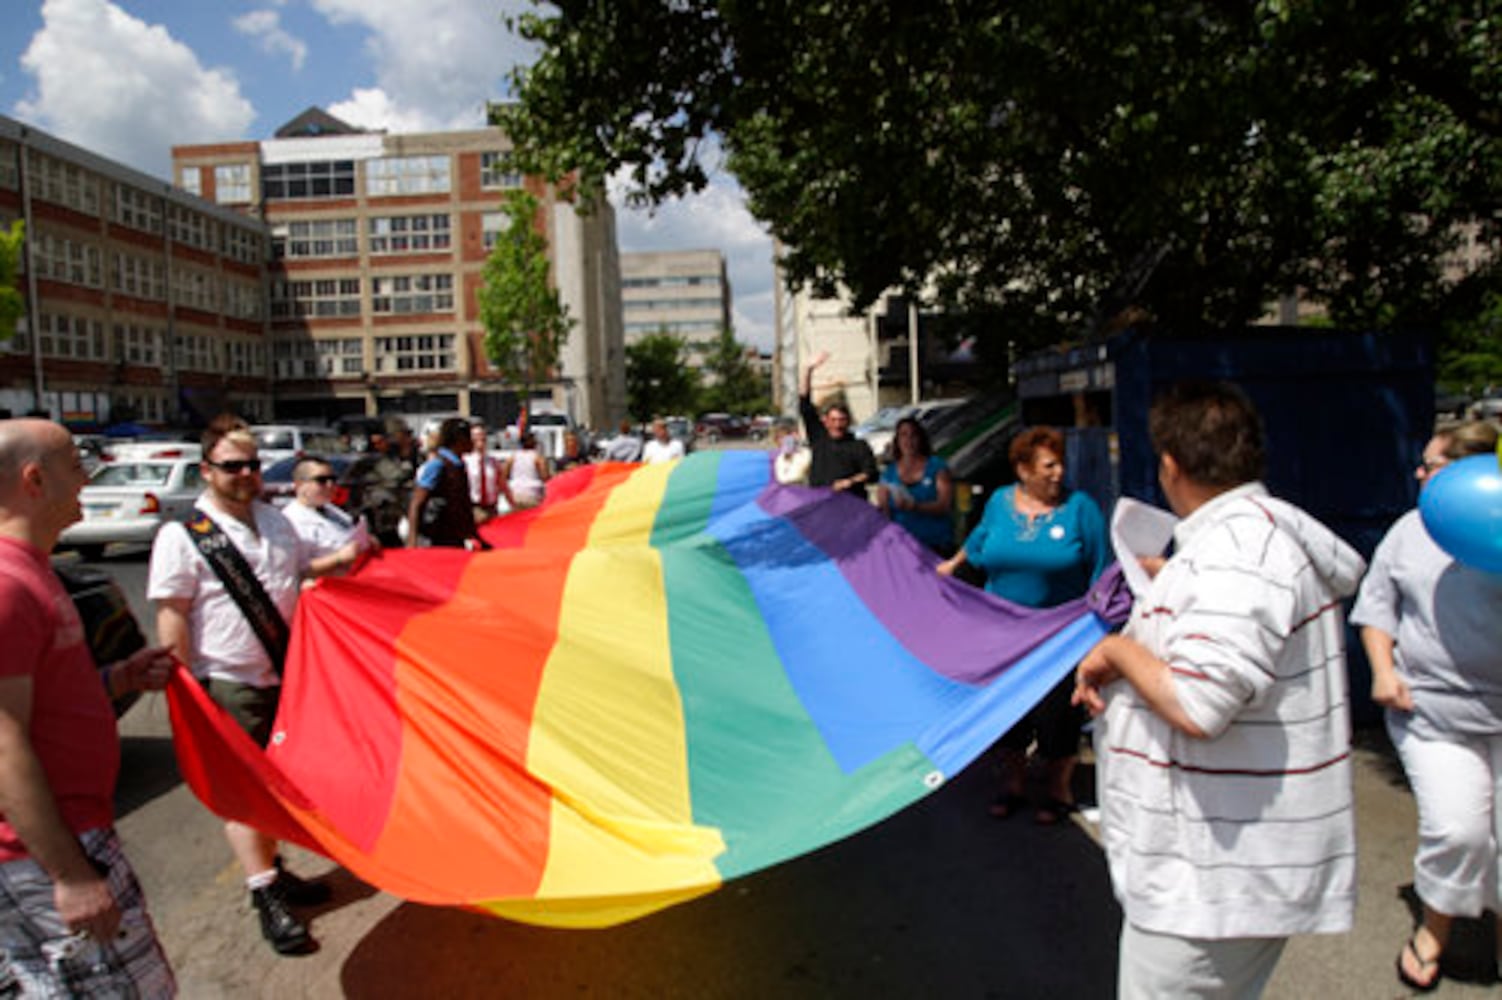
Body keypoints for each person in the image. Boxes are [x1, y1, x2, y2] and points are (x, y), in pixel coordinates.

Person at [1073, 381, 1364, 999]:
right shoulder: (1238, 547)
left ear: (1171, 465)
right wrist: (1169, 583)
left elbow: (1198, 703)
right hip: (1214, 867)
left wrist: (1119, 649)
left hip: (1208, 880)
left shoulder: (1239, 554)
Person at [148, 415, 353, 956]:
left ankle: (275, 869)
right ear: (207, 470)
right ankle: (264, 894)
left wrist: (350, 560)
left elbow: (307, 571)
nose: (245, 474)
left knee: (284, 787)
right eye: (232, 465)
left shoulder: (278, 521)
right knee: (246, 795)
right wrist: (184, 691)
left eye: (253, 465)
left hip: (289, 675)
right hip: (229, 682)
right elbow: (172, 614)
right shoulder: (183, 536)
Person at [0, 419, 176, 997]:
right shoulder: (8, 585)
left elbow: (46, 700)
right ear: (34, 480)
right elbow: (3, 742)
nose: (88, 479)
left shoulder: (35, 572)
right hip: (48, 854)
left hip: (71, 838)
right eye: (76, 465)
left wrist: (119, 677)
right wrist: (71, 875)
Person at [1349, 419, 1502, 991]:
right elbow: (1376, 609)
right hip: (1434, 714)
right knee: (1461, 830)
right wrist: (1384, 671)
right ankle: (1434, 930)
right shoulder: (1409, 531)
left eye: (1432, 465)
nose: (1419, 473)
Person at [937, 427, 1108, 823]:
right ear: (1023, 469)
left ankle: (1058, 791)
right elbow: (979, 537)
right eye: (1049, 465)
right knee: (1009, 715)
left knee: (1056, 718)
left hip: (1060, 637)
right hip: (1004, 635)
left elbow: (1101, 567)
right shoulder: (999, 502)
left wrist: (1099, 629)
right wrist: (952, 566)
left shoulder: (1081, 508)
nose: (1058, 472)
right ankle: (1013, 785)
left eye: (1060, 463)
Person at [799, 351, 877, 497]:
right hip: (821, 502)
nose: (837, 425)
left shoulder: (858, 445)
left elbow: (871, 473)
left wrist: (850, 482)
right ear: (826, 421)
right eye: (833, 420)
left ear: (848, 421)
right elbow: (804, 403)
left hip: (851, 505)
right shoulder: (818, 438)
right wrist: (808, 370)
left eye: (842, 420)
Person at [876, 416, 954, 555]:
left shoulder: (937, 466)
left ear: (920, 439)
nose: (908, 440)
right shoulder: (889, 472)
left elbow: (945, 506)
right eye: (903, 435)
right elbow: (884, 511)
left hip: (934, 545)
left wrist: (915, 507)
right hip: (902, 547)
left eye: (913, 435)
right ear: (897, 440)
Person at [281, 456, 378, 565]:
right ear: (300, 484)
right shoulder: (290, 522)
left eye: (333, 479)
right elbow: (297, 569)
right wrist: (338, 558)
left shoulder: (332, 510)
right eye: (321, 480)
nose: (330, 485)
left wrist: (367, 541)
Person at [408, 417, 487, 548]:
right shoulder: (437, 465)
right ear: (460, 439)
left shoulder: (459, 466)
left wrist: (475, 536)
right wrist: (412, 541)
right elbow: (417, 503)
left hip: (454, 537)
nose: (473, 441)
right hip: (436, 539)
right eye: (469, 436)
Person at [462, 422, 507, 524]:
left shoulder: (493, 462)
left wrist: (513, 504)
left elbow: (502, 485)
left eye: (482, 435)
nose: (480, 438)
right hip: (474, 507)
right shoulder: (465, 461)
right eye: (476, 435)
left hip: (491, 508)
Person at [503, 431, 550, 509]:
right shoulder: (537, 457)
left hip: (515, 493)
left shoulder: (513, 457)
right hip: (532, 494)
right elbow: (545, 476)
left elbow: (504, 475)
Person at [771, 417, 811, 485]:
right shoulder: (780, 458)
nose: (779, 442)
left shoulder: (806, 454)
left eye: (782, 437)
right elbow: (782, 478)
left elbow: (793, 476)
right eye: (777, 438)